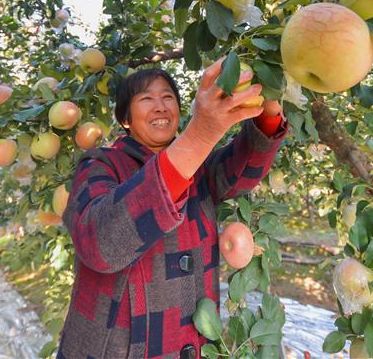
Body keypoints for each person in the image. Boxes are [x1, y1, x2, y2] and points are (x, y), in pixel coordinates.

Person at [57, 59, 288, 359]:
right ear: (125, 119)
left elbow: (242, 168)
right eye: (146, 98)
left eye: (168, 97)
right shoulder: (102, 164)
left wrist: (268, 104)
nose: (160, 106)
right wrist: (199, 136)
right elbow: (99, 242)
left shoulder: (199, 169)